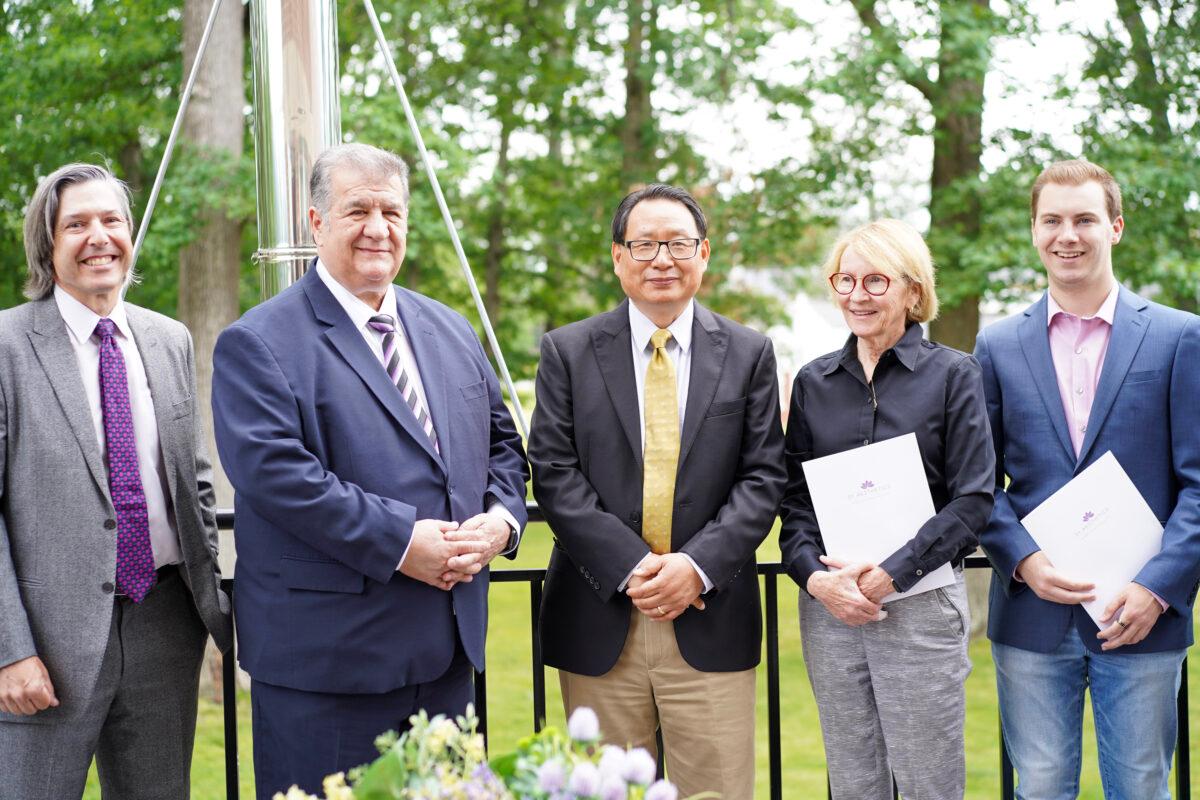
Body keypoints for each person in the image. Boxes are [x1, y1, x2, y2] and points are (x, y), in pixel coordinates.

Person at [211, 143, 529, 799]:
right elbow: (277, 475)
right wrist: (402, 542)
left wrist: (501, 523)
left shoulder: (450, 329)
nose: (378, 228)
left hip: (445, 656)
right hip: (327, 669)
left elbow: (503, 443)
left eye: (392, 211)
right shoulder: (259, 341)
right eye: (358, 210)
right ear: (315, 221)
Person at [528, 183, 785, 798]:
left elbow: (764, 476)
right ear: (618, 257)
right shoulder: (567, 351)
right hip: (601, 613)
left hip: (710, 611)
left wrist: (695, 568)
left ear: (704, 254)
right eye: (644, 245)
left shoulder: (750, 354)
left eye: (677, 244)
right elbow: (554, 472)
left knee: (716, 791)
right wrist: (635, 567)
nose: (661, 259)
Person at [0, 163, 233, 799]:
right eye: (76, 224)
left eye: (112, 221)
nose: (98, 236)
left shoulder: (169, 340)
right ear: (47, 245)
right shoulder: (7, 346)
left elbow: (194, 481)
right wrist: (9, 649)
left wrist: (211, 601)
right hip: (46, 640)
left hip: (165, 622)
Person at [974, 159, 1200, 800]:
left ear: (1116, 227)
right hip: (1032, 616)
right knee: (1040, 787)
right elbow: (977, 483)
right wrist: (1021, 561)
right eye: (1052, 220)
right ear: (1035, 230)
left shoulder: (1179, 337)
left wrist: (1158, 588)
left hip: (1142, 617)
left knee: (1140, 787)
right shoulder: (997, 347)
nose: (1066, 235)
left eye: (1084, 219)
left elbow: (1199, 484)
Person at [778, 219, 994, 800]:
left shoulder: (954, 375)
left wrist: (890, 574)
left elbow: (974, 498)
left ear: (913, 291)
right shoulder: (812, 382)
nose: (856, 295)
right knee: (852, 782)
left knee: (928, 783)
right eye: (844, 280)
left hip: (920, 607)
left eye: (875, 281)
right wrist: (816, 579)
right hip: (831, 611)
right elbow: (795, 502)